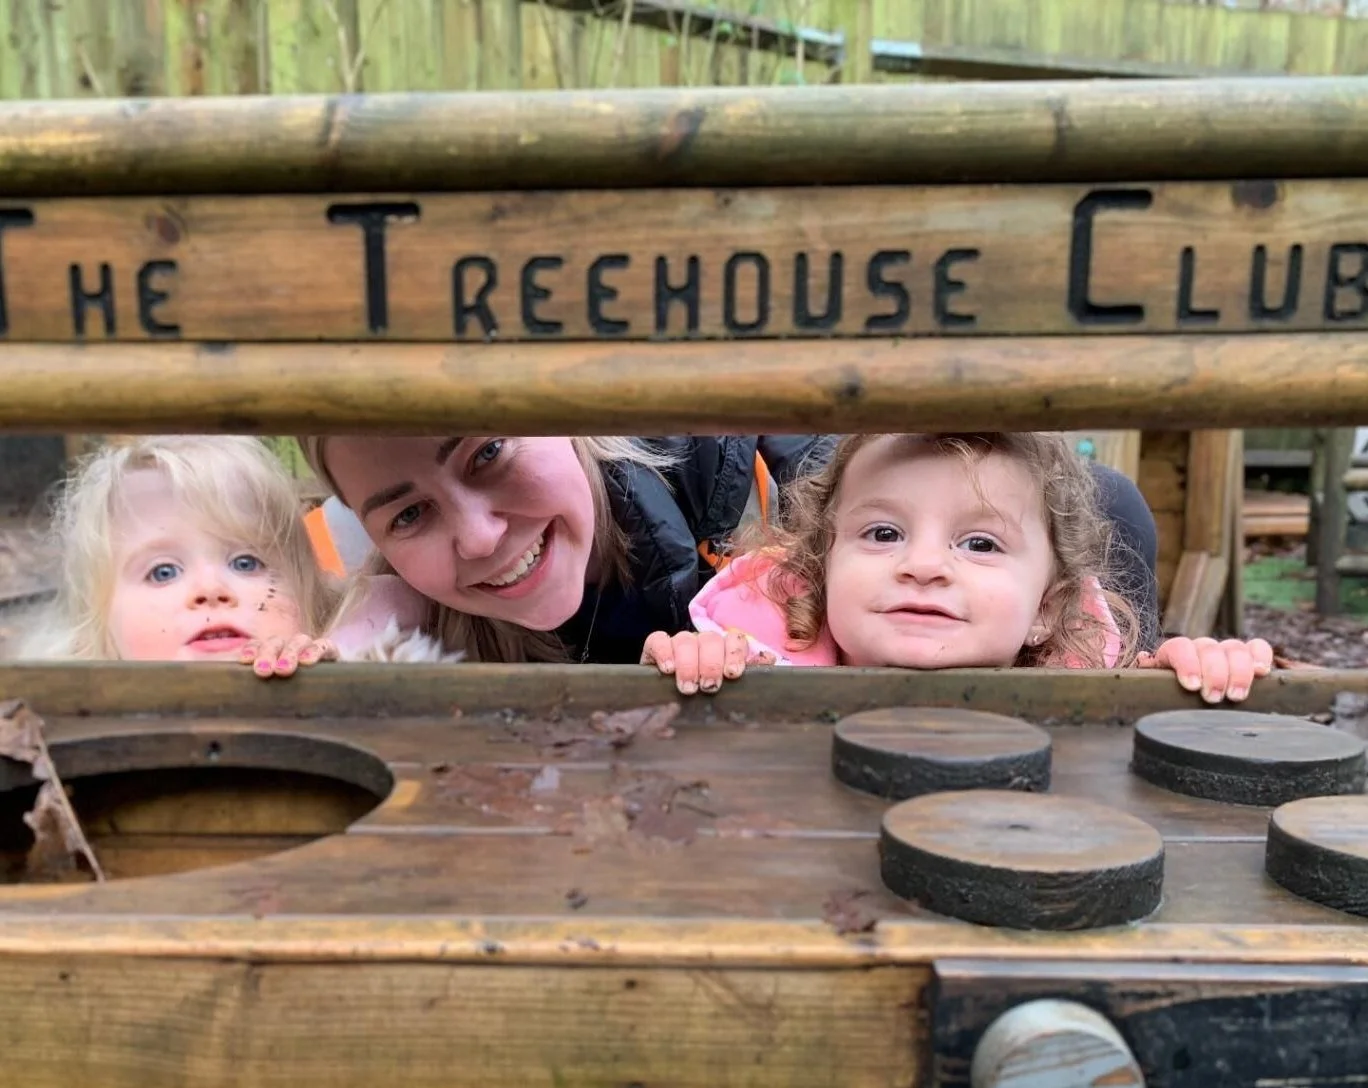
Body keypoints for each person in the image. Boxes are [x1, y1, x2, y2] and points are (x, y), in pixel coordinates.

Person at [302, 433, 1161, 663]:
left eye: (488, 454)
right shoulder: (419, 609)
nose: (480, 535)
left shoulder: (765, 505)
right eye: (406, 516)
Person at [641, 431, 1270, 704]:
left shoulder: (1093, 693)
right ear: (821, 569)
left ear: (1047, 609)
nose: (922, 566)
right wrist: (693, 672)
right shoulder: (755, 668)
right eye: (883, 533)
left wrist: (1198, 675)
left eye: (980, 544)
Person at [15, 436, 457, 670]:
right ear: (99, 627)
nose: (210, 590)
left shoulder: (326, 648)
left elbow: (394, 597)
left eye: (247, 563)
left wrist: (335, 648)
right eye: (163, 572)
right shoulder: (76, 704)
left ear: (310, 597)